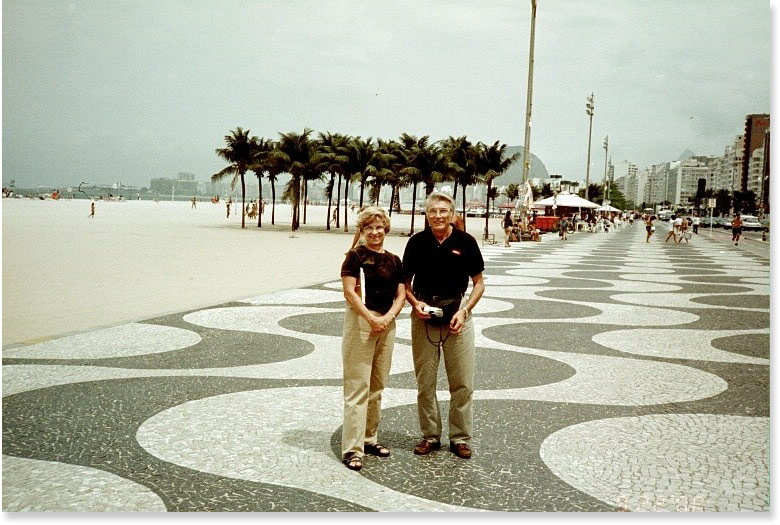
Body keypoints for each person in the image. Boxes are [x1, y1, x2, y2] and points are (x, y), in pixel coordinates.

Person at [402, 192, 485, 460]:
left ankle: (459, 437)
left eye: (443, 211)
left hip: (457, 317)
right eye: (433, 211)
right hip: (423, 317)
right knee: (425, 382)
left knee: (462, 382)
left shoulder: (465, 242)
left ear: (452, 214)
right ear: (426, 215)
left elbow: (479, 283)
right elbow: (405, 284)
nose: (438, 216)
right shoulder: (417, 243)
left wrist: (465, 311)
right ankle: (430, 435)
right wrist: (415, 304)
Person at [340, 207, 406, 472]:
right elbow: (350, 292)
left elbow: (401, 294)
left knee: (377, 386)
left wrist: (388, 317)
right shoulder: (354, 257)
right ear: (363, 230)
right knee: (358, 387)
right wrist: (371, 318)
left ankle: (369, 439)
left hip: (386, 324)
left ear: (385, 229)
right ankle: (352, 449)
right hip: (362, 323)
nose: (375, 232)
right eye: (369, 228)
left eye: (379, 227)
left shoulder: (394, 260)